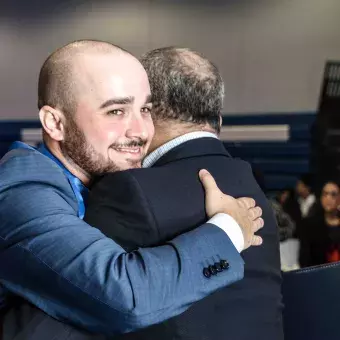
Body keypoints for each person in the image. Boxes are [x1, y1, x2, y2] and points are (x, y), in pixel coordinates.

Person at [0, 40, 264, 338]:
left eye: (146, 109)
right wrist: (229, 230)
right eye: (116, 111)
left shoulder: (104, 185)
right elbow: (124, 296)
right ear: (54, 123)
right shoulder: (20, 191)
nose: (141, 131)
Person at [84, 47, 283, 340]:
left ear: (148, 109)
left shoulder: (130, 188)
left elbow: (90, 296)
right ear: (218, 116)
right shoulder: (246, 180)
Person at [299, 180, 340, 267]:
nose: (328, 198)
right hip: (319, 276)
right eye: (325, 194)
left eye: (333, 194)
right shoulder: (309, 225)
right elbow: (304, 259)